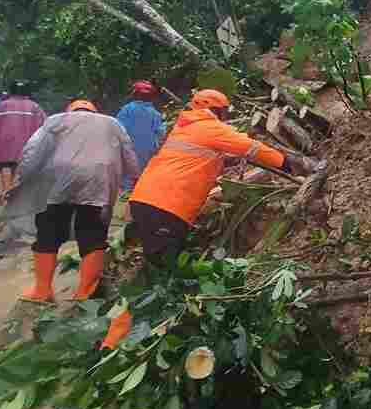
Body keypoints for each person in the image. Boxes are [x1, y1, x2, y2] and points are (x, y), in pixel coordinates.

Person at [102, 89, 312, 348]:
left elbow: (204, 159)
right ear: (218, 111)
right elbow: (251, 147)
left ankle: (130, 331)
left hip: (151, 202)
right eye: (224, 113)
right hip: (165, 207)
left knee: (158, 269)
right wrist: (290, 164)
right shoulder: (207, 126)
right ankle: (120, 339)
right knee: (164, 278)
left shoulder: (187, 128)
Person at [5, 99, 139, 303]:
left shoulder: (55, 120)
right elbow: (128, 151)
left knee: (48, 233)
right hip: (98, 182)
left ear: (70, 110)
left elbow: (33, 151)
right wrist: (136, 177)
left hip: (57, 182)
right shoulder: (112, 123)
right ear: (95, 111)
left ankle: (42, 291)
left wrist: (20, 179)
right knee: (93, 235)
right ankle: (84, 292)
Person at [0, 80, 46, 202]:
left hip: (5, 142)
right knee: (21, 166)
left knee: (6, 165)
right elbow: (44, 125)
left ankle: (6, 191)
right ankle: (18, 194)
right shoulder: (34, 106)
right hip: (27, 142)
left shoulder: (2, 105)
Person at [115, 80, 165, 191]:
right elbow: (161, 134)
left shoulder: (126, 109)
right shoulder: (155, 113)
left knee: (127, 180)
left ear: (134, 94)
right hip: (148, 152)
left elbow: (117, 128)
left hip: (128, 150)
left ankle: (126, 194)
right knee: (143, 182)